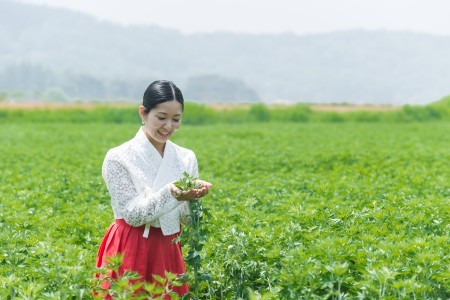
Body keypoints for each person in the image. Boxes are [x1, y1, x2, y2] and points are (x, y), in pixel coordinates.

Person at [95, 80, 212, 297]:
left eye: (176, 119)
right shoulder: (118, 157)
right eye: (161, 118)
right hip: (130, 245)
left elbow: (187, 220)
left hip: (168, 247)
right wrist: (172, 192)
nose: (168, 126)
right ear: (143, 113)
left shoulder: (186, 157)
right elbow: (133, 215)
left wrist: (193, 200)